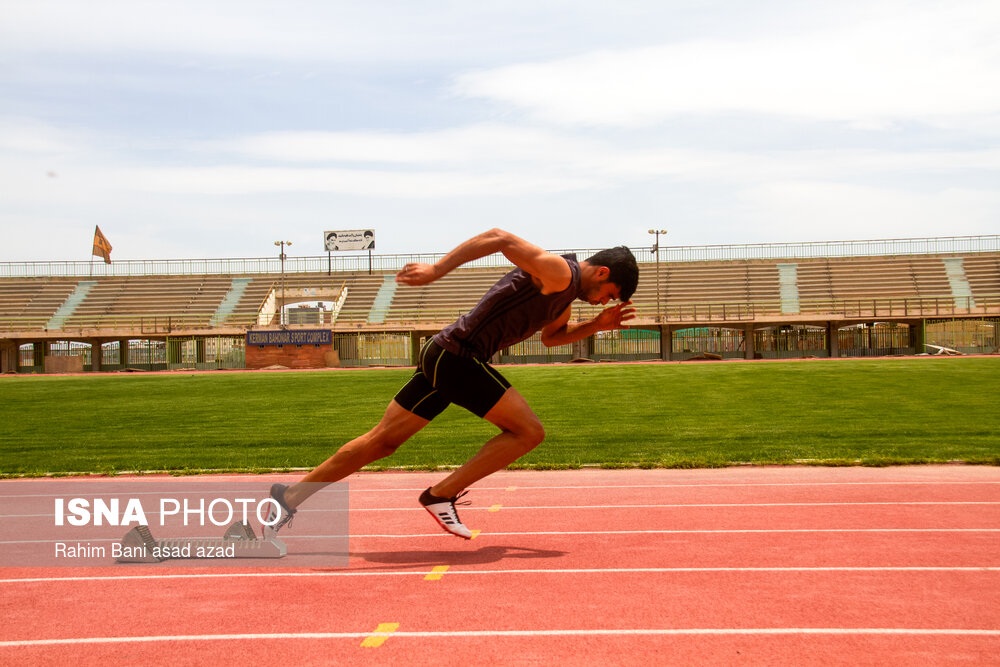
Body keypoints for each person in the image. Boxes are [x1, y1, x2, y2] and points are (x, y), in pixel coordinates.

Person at [265, 228, 638, 539]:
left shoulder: (565, 296)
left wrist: (596, 326)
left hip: (443, 355)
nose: (603, 302)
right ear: (603, 273)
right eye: (610, 296)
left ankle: (289, 497)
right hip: (459, 355)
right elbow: (499, 237)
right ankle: (441, 494)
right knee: (528, 433)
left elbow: (551, 338)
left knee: (382, 442)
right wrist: (436, 270)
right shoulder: (560, 272)